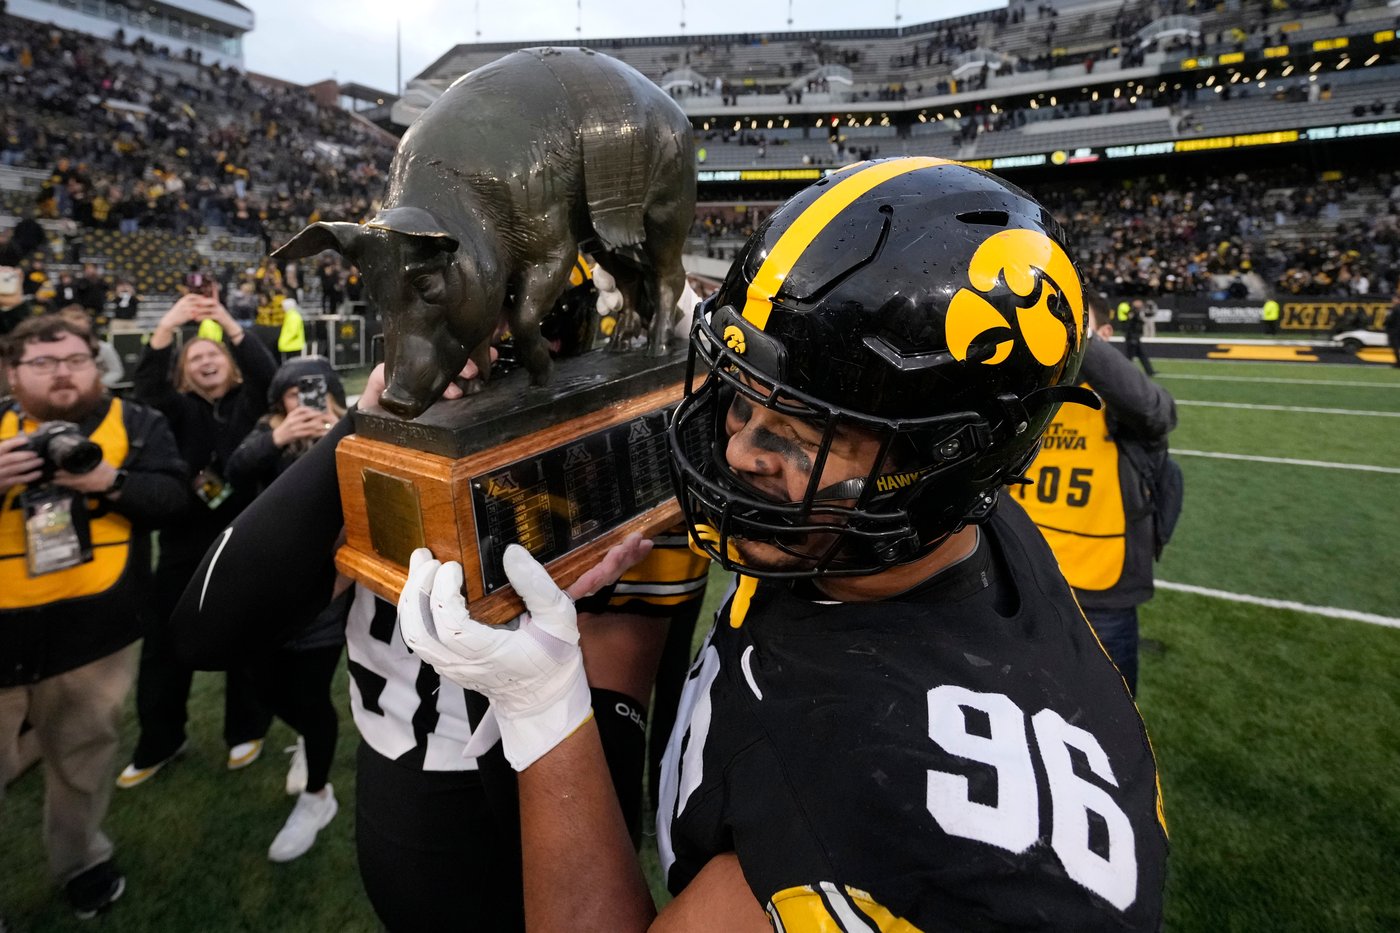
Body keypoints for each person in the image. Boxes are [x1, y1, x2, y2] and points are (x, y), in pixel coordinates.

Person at [399, 158, 1169, 930]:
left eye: (805, 435)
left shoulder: (872, 803)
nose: (739, 452)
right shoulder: (942, 529)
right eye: (744, 395)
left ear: (943, 464)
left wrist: (541, 709)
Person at [171, 359, 708, 930]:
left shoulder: (633, 396)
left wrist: (540, 665)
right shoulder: (413, 419)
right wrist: (363, 426)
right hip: (411, 763)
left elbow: (626, 668)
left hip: (566, 745)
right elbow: (206, 632)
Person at [0, 315, 186, 918]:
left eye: (76, 360)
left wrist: (110, 481)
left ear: (96, 363)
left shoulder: (136, 422)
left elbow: (172, 500)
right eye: (44, 363)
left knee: (83, 758)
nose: (62, 373)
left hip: (95, 635)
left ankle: (80, 860)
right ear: (12, 372)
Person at [120, 293, 278, 787]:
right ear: (184, 372)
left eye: (213, 354)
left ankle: (246, 729)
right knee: (164, 644)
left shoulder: (251, 400)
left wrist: (225, 320)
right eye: (195, 358)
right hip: (184, 540)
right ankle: (160, 740)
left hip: (245, 536)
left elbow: (267, 372)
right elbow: (146, 383)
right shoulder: (173, 408)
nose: (206, 360)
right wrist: (169, 324)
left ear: (227, 364)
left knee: (244, 638)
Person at [1013, 291, 1177, 694]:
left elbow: (1156, 411)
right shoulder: (1033, 391)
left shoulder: (1125, 406)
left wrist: (1077, 336)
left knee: (1108, 716)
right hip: (1027, 579)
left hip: (1101, 591)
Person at [223, 357, 346, 862]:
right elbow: (234, 471)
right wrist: (277, 438)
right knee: (264, 687)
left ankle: (318, 795)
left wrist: (332, 439)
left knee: (312, 695)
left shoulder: (350, 430)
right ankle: (304, 738)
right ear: (279, 399)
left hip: (323, 595)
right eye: (293, 392)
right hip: (261, 593)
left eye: (313, 390)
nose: (303, 400)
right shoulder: (264, 433)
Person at [1122, 298, 1156, 376]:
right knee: (1129, 357)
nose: (1140, 303)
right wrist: (1132, 338)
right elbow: (1130, 325)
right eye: (1138, 302)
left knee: (1142, 355)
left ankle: (1150, 371)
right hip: (1132, 338)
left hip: (1135, 337)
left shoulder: (1136, 312)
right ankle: (1125, 371)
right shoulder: (1132, 312)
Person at [1386, 291, 1400, 368]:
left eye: (1394, 299)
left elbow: (1389, 321)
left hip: (1395, 331)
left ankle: (1398, 363)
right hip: (1396, 331)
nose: (1392, 300)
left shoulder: (1395, 309)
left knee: (1395, 347)